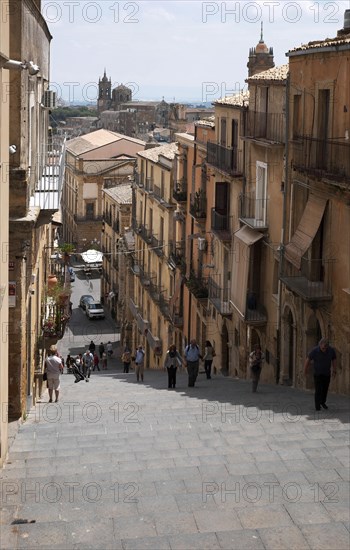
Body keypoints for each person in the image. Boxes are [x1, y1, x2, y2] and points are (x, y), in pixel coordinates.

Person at [304, 338, 336, 411]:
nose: (324, 349)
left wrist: (334, 370)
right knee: (318, 390)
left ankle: (322, 402)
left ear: (327, 346)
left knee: (325, 389)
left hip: (327, 374)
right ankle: (317, 406)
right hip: (318, 374)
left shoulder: (331, 350)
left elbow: (334, 359)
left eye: (325, 348)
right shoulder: (315, 351)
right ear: (320, 345)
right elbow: (308, 359)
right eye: (323, 348)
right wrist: (305, 370)